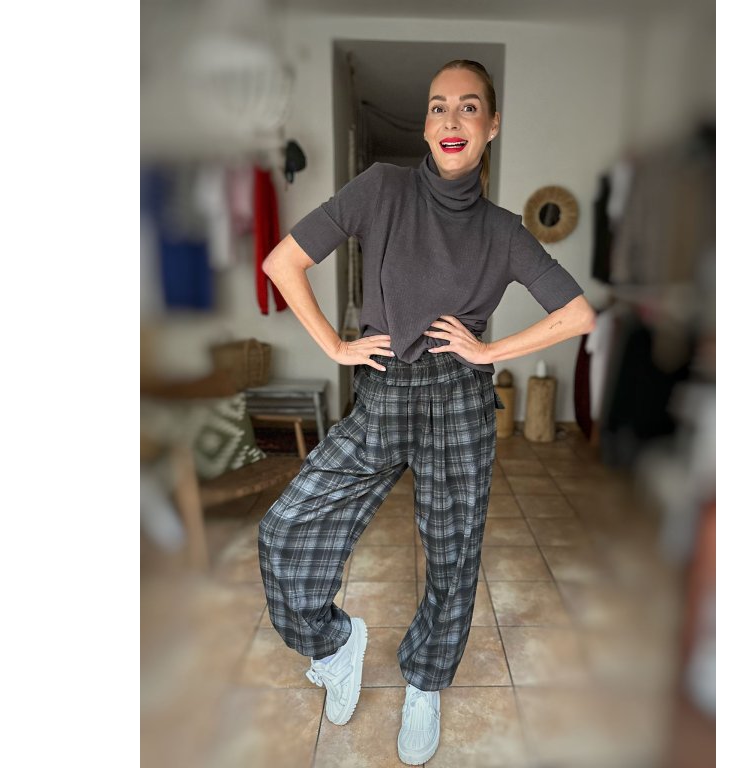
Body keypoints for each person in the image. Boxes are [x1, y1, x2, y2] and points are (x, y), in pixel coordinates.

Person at [257, 59, 595, 765]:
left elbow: (577, 314)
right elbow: (282, 262)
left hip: (458, 399)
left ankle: (425, 682)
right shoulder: (381, 188)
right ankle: (335, 644)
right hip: (383, 388)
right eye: (439, 106)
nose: (451, 119)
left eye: (469, 107)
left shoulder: (503, 231)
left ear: (492, 125)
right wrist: (336, 347)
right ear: (426, 124)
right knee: (286, 527)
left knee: (453, 555)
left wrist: (490, 349)